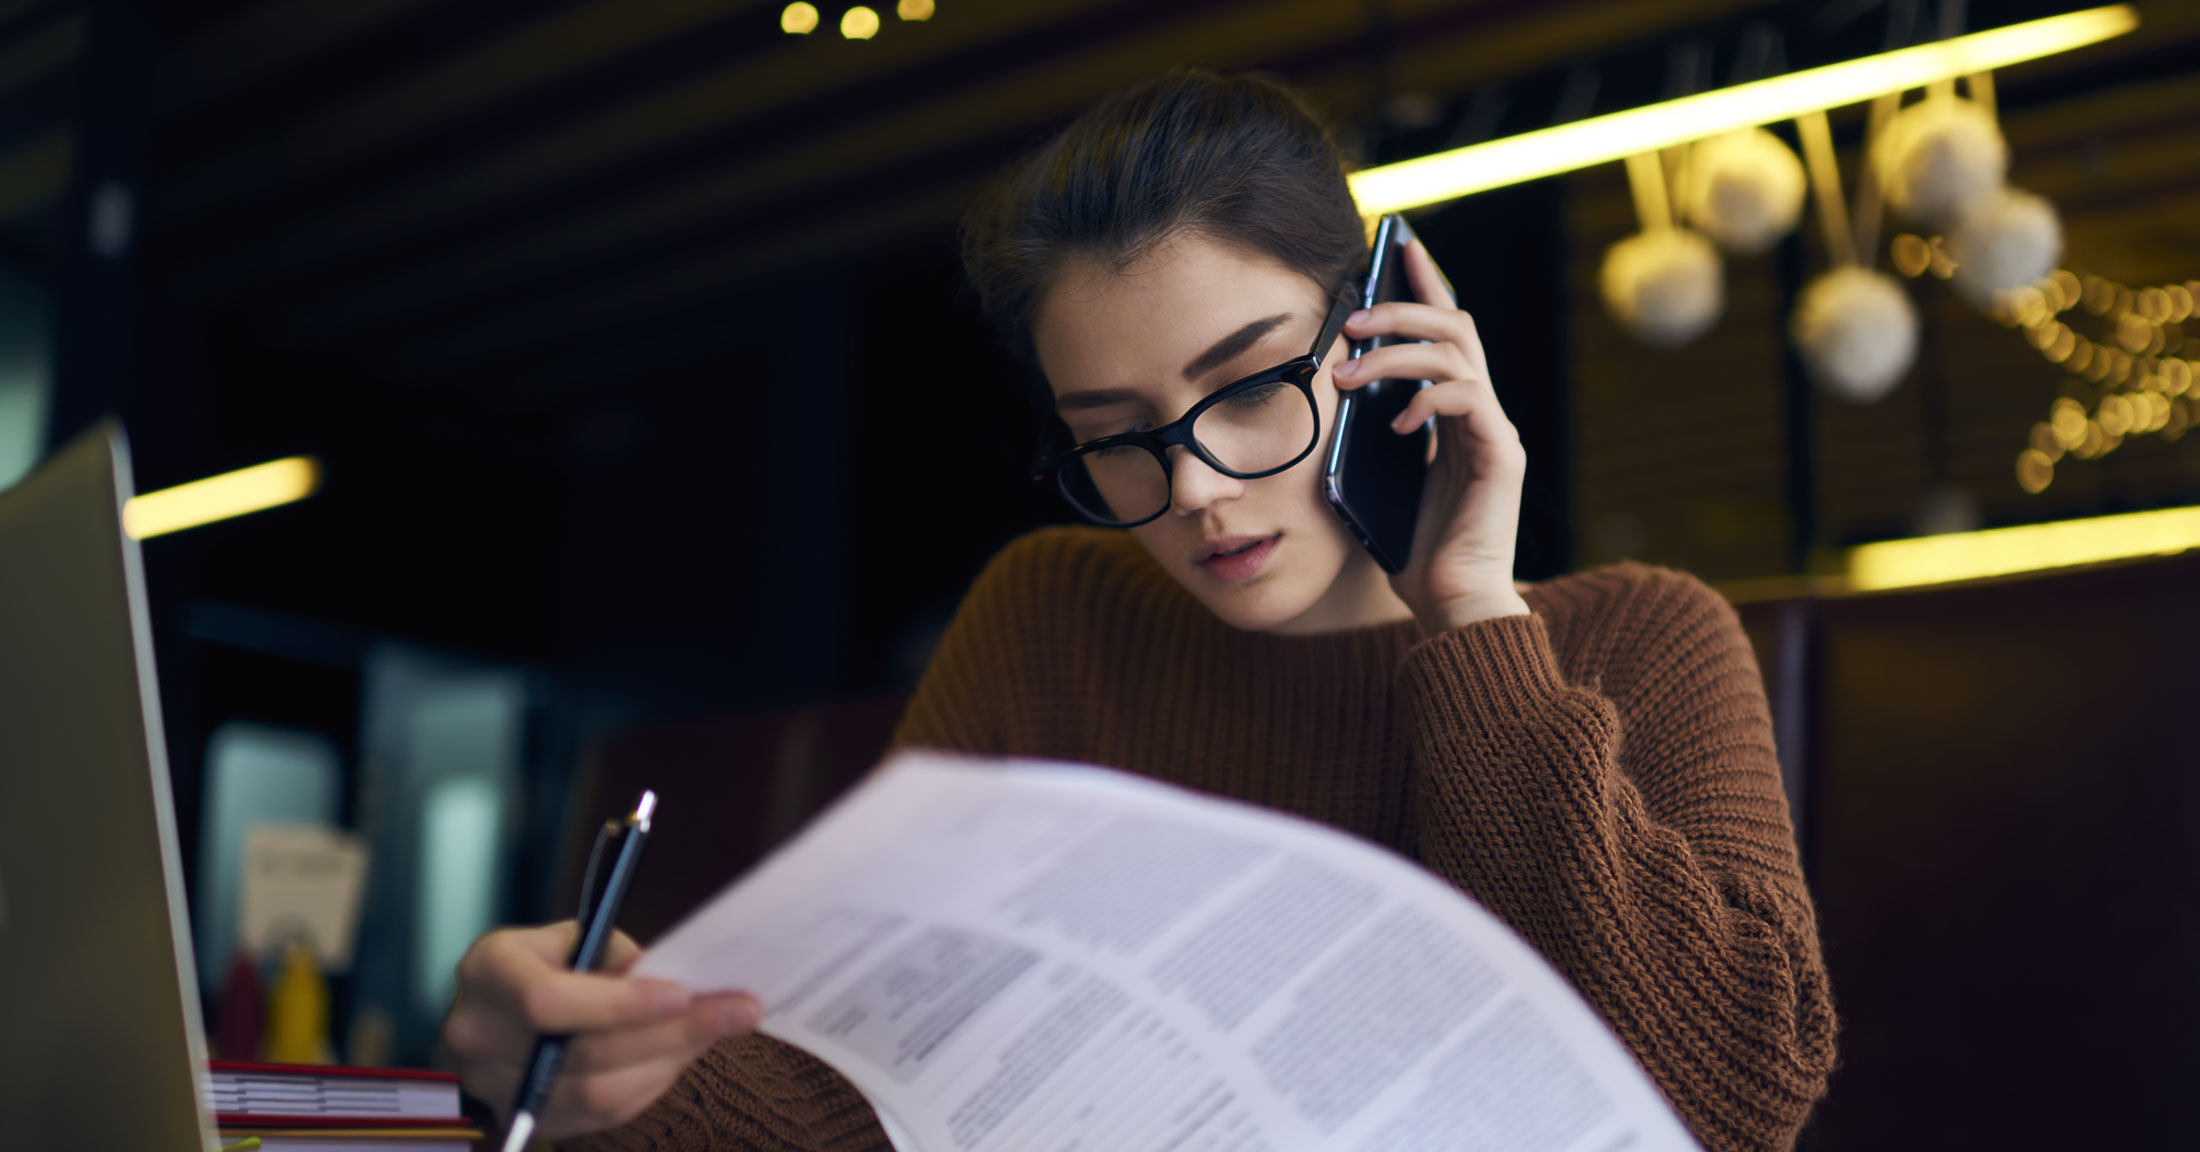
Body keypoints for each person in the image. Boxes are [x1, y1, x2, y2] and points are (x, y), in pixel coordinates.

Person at [442, 71, 1836, 1152]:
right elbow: (866, 1104)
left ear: (1382, 337)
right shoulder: (1052, 610)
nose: (1197, 493)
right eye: (1115, 435)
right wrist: (612, 1077)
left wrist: (1469, 613)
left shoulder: (1642, 637)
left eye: (1244, 388)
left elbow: (1727, 1102)